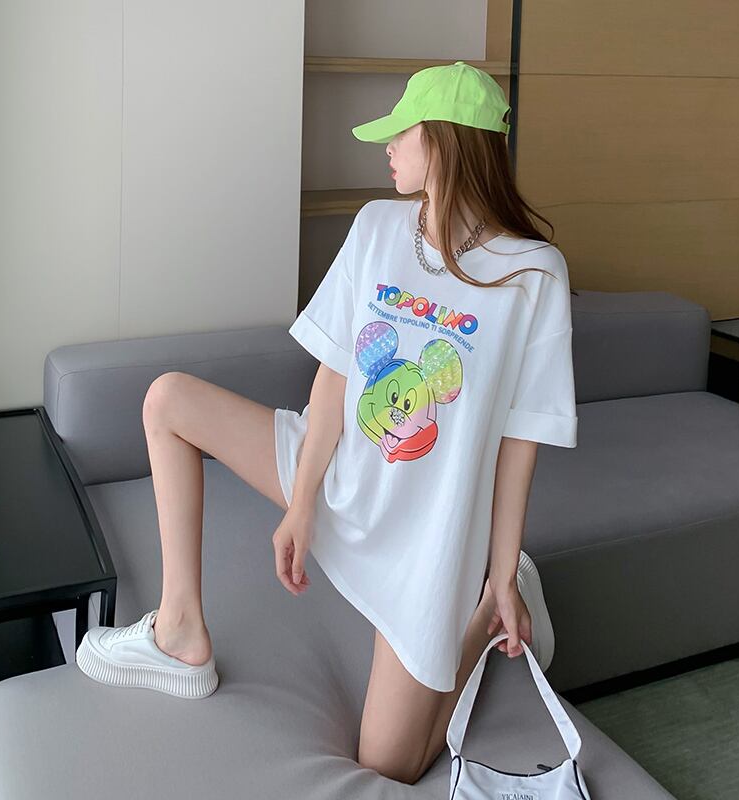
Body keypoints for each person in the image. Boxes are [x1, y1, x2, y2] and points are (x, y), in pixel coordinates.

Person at [76, 61, 578, 786]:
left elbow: (519, 444)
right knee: (167, 400)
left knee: (390, 762)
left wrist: (500, 574)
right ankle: (179, 630)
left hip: (426, 544)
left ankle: (490, 613)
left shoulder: (534, 274)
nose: (388, 147)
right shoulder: (378, 227)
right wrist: (303, 501)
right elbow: (337, 373)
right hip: (337, 473)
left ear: (444, 140)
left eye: (401, 132)